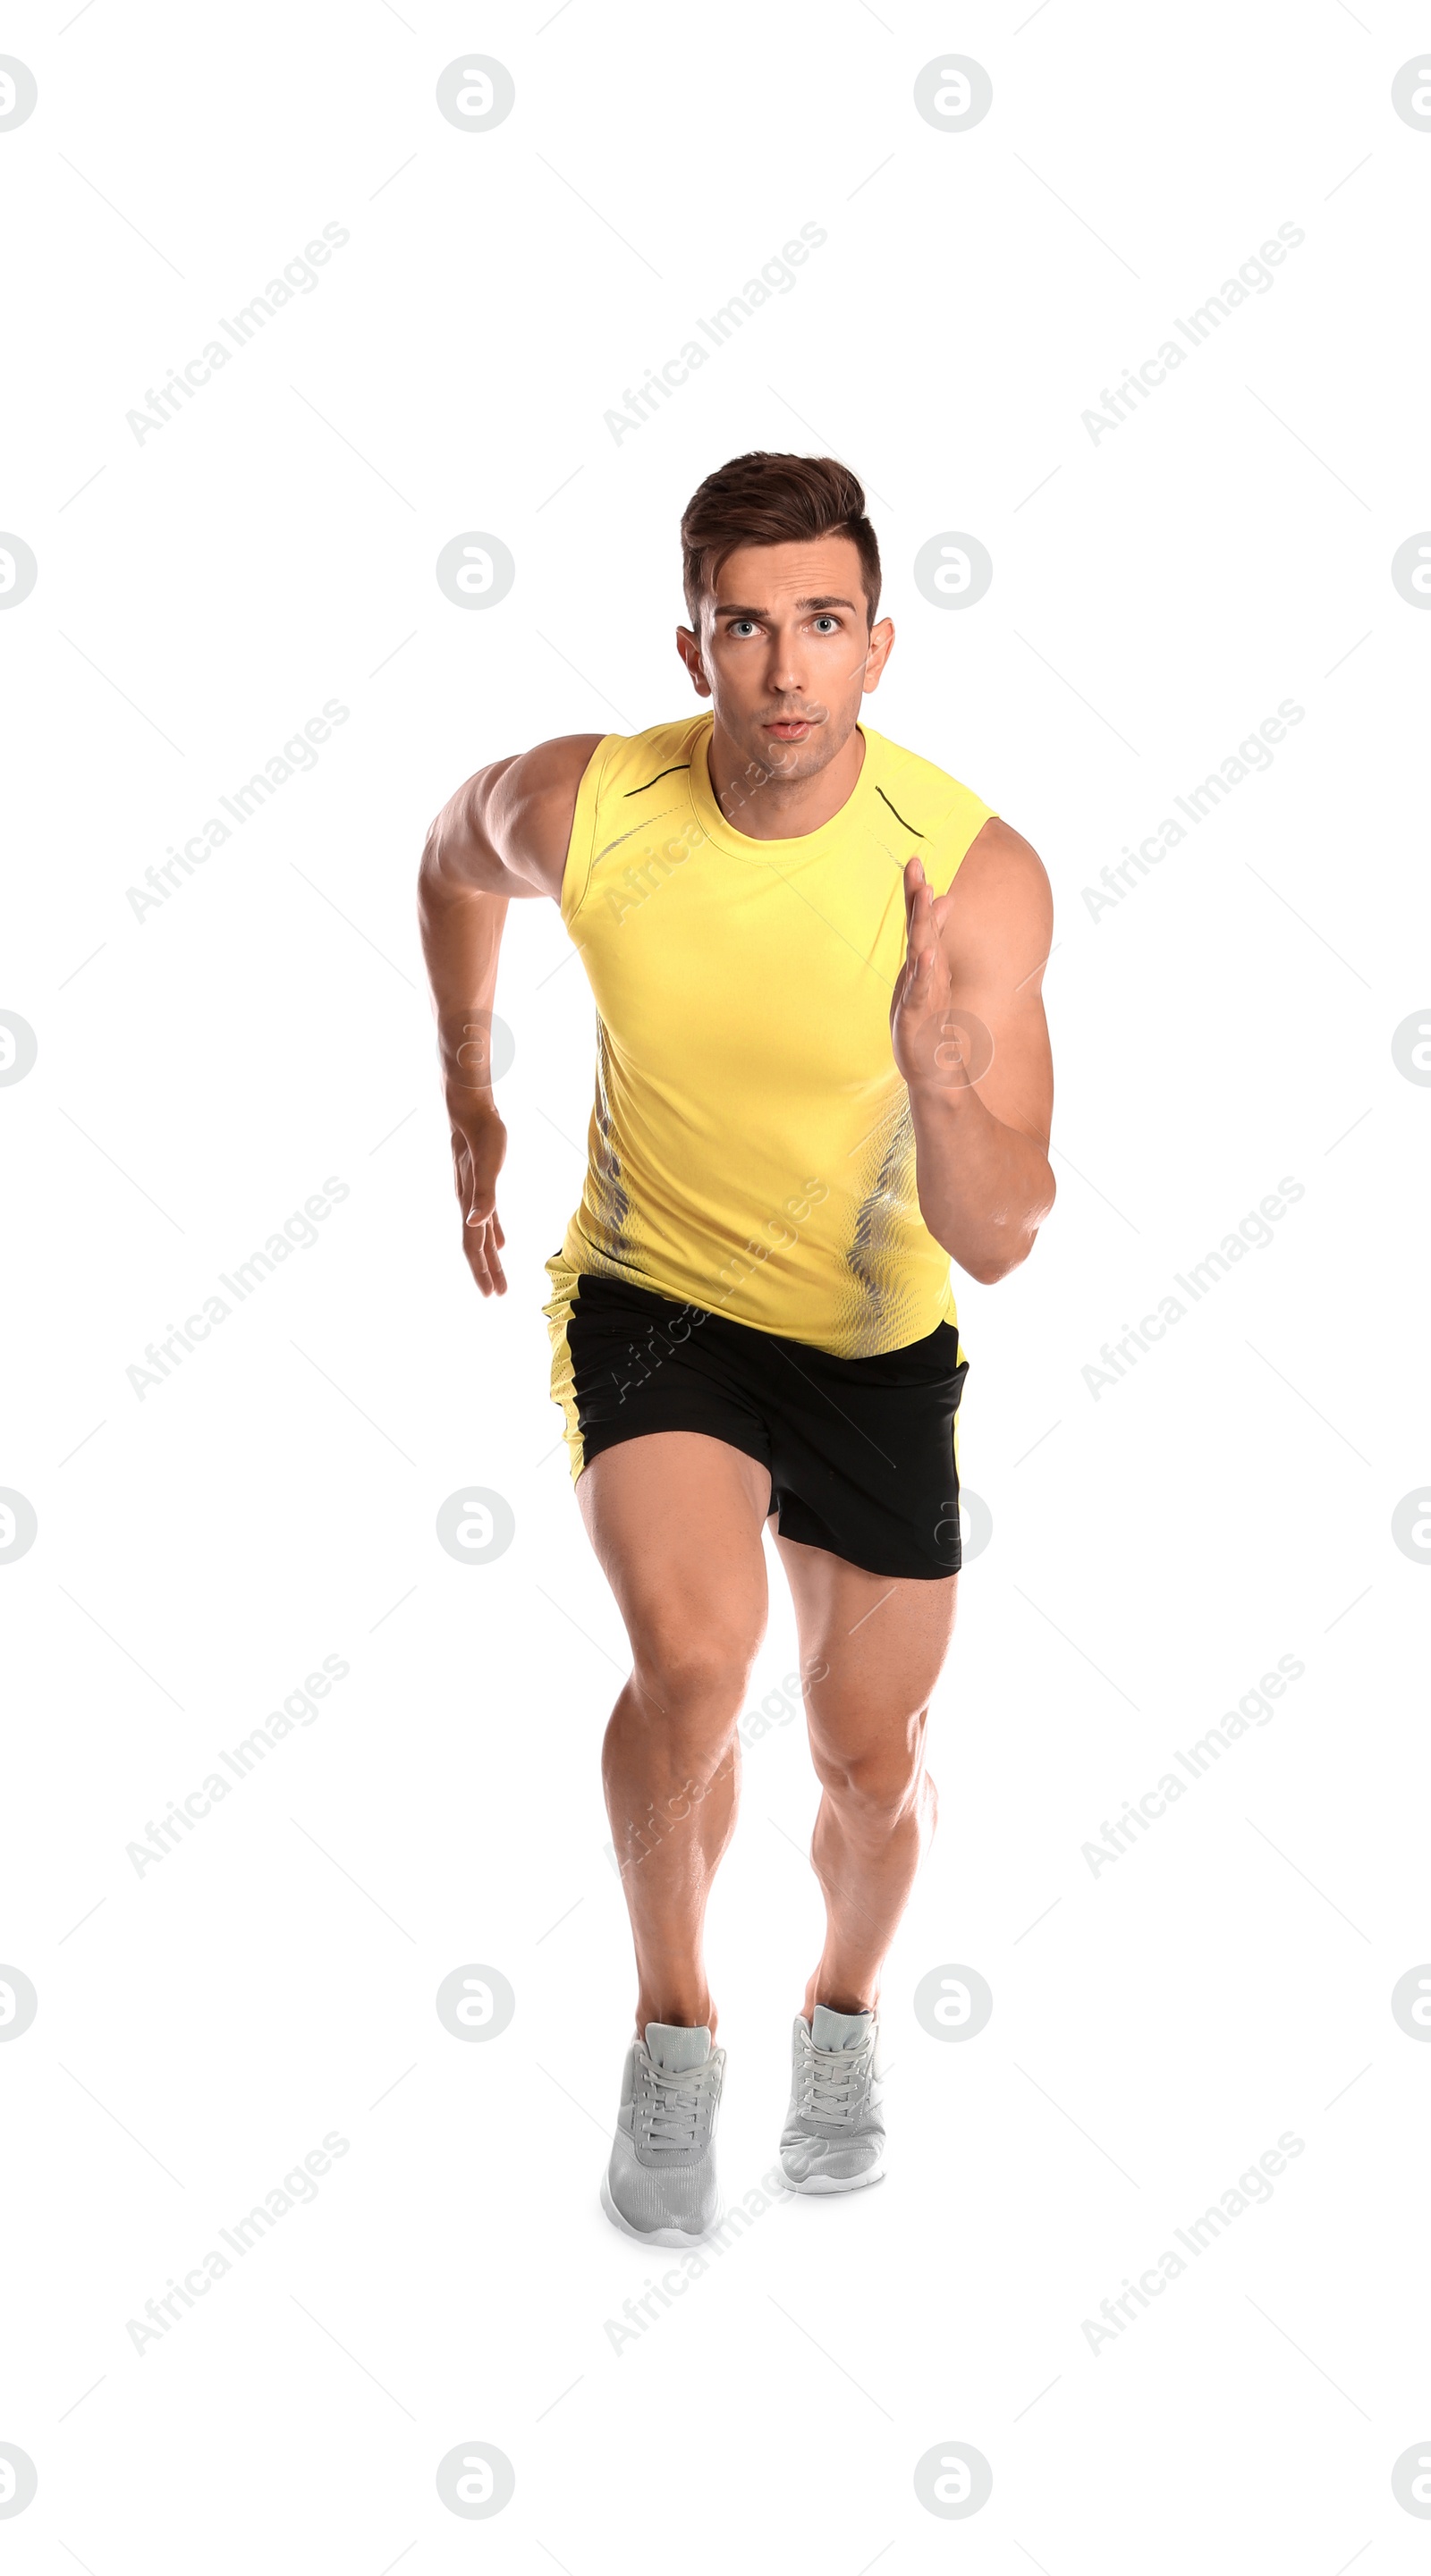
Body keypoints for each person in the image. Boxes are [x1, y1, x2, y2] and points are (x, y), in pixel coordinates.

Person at [418, 452, 1054, 2243]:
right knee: (691, 1665)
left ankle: (838, 2010)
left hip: (869, 1341)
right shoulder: (589, 804)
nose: (787, 664)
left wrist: (941, 1087)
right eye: (749, 626)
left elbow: (1002, 1235)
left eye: (824, 624)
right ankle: (671, 2023)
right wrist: (470, 1087)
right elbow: (445, 856)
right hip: (657, 1303)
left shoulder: (973, 874)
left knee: (869, 1757)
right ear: (692, 647)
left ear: (878, 648)